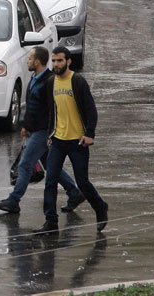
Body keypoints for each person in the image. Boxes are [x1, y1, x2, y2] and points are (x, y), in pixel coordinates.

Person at [0, 46, 85, 215]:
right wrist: (26, 126)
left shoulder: (49, 81)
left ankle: (14, 200)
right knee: (50, 165)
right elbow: (31, 106)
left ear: (37, 61)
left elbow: (51, 109)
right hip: (35, 129)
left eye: (30, 58)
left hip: (43, 131)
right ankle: (74, 192)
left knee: (25, 164)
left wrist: (50, 132)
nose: (27, 61)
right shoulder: (35, 78)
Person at [35, 47, 109, 235]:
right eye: (54, 61)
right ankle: (51, 222)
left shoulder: (77, 81)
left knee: (82, 182)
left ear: (68, 61)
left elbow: (91, 110)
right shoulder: (51, 82)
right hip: (58, 141)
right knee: (50, 181)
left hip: (78, 142)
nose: (56, 64)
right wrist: (51, 134)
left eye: (60, 61)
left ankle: (100, 208)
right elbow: (53, 111)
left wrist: (89, 133)